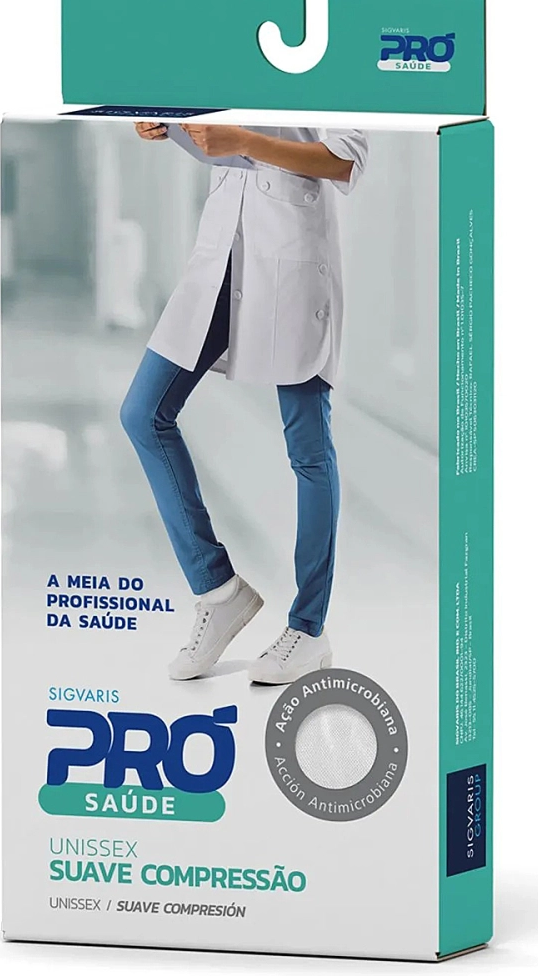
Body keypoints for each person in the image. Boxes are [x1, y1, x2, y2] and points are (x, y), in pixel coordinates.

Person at [120, 121, 368, 684]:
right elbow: (221, 138)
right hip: (222, 253)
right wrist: (170, 125)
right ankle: (218, 589)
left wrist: (240, 141)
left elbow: (344, 160)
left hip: (291, 259)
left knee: (308, 450)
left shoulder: (330, 78)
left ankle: (308, 629)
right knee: (143, 414)